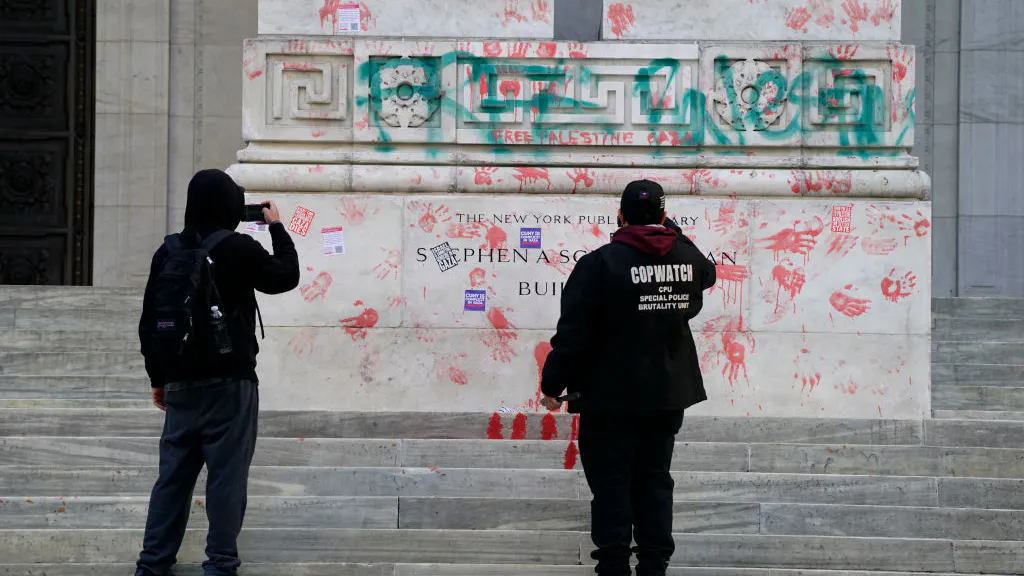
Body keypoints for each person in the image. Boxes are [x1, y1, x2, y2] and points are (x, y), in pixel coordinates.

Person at [540, 179, 717, 576]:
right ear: (665, 217)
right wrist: (674, 234)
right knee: (655, 480)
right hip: (666, 394)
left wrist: (552, 386)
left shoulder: (599, 263)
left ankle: (615, 566)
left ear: (619, 215)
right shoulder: (686, 259)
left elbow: (573, 335)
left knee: (612, 484)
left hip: (609, 398)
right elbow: (707, 272)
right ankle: (654, 566)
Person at [135, 169, 300, 576]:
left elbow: (147, 321)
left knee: (172, 480)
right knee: (226, 479)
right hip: (231, 385)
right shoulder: (238, 247)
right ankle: (221, 565)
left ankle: (153, 565)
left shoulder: (168, 250)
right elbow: (285, 276)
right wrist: (276, 225)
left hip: (181, 385)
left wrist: (159, 378)